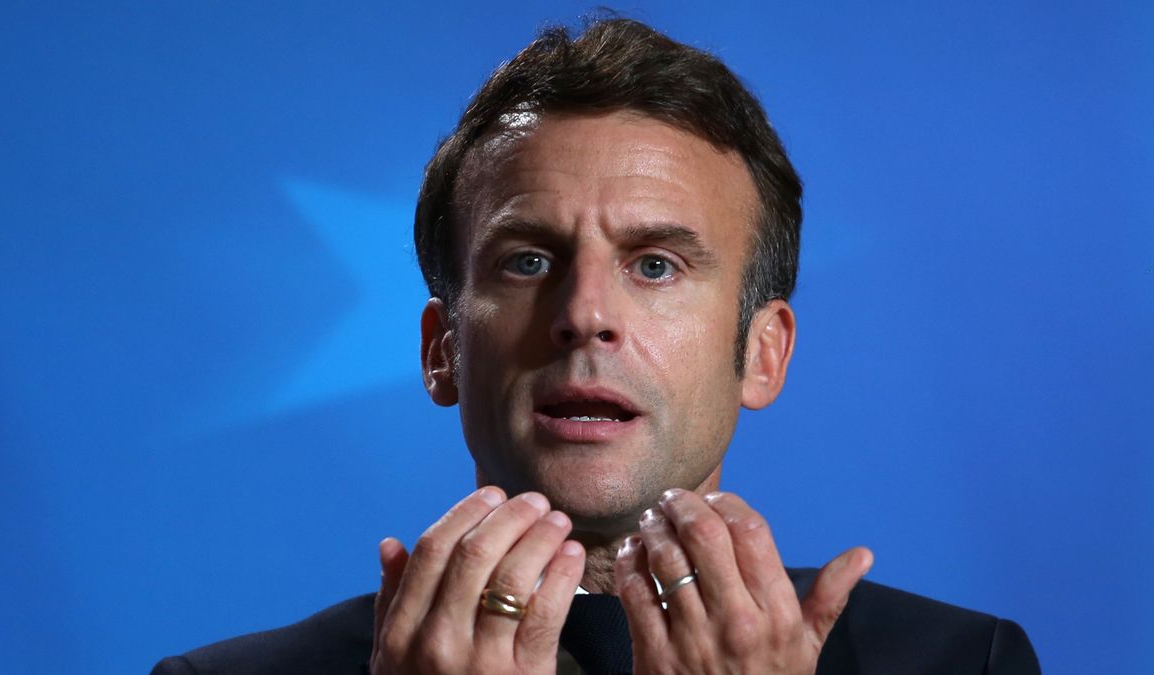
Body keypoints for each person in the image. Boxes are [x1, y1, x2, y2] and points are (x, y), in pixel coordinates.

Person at [153, 17, 1040, 675]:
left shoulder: (968, 665)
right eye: (528, 259)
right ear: (444, 350)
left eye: (655, 264)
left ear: (762, 353)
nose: (584, 313)